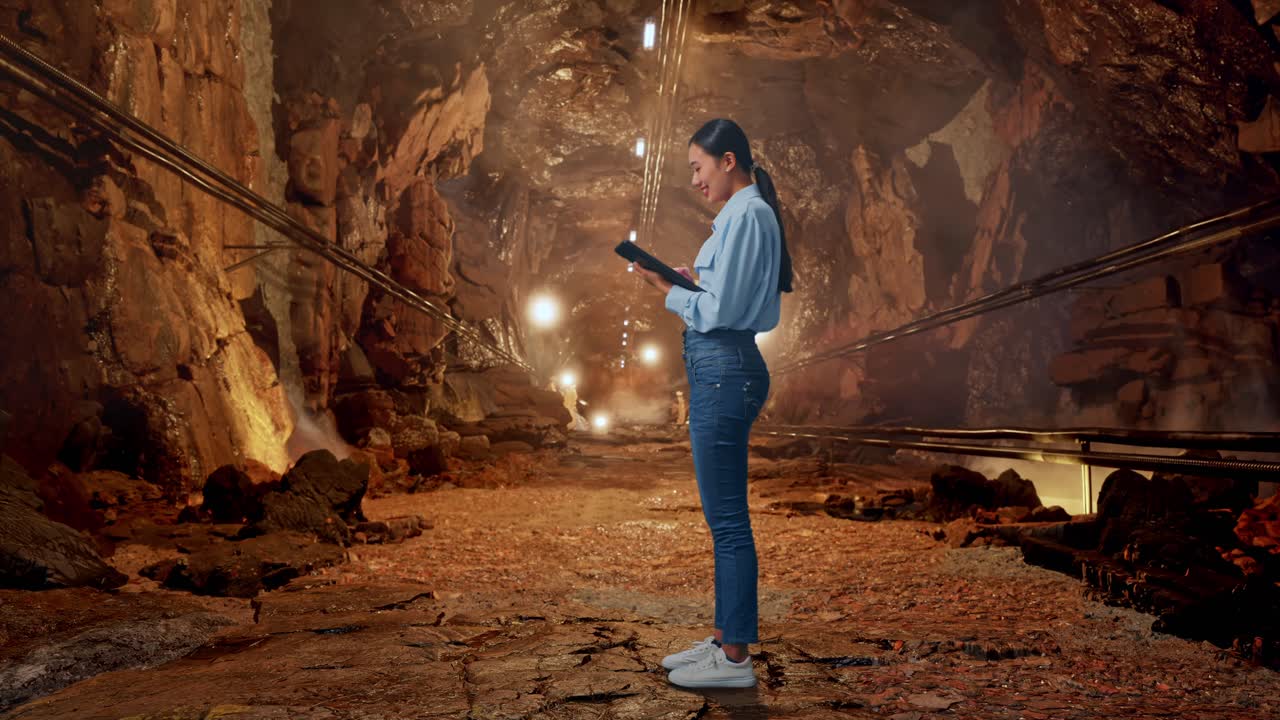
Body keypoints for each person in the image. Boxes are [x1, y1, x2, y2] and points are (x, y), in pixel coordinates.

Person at [632, 118, 793, 689]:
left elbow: (721, 312)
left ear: (728, 161)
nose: (695, 180)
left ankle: (735, 661)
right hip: (721, 367)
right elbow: (725, 298)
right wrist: (690, 285)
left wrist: (669, 292)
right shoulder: (743, 216)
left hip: (725, 368)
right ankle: (726, 638)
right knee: (722, 519)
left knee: (728, 522)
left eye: (698, 167)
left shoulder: (748, 215)